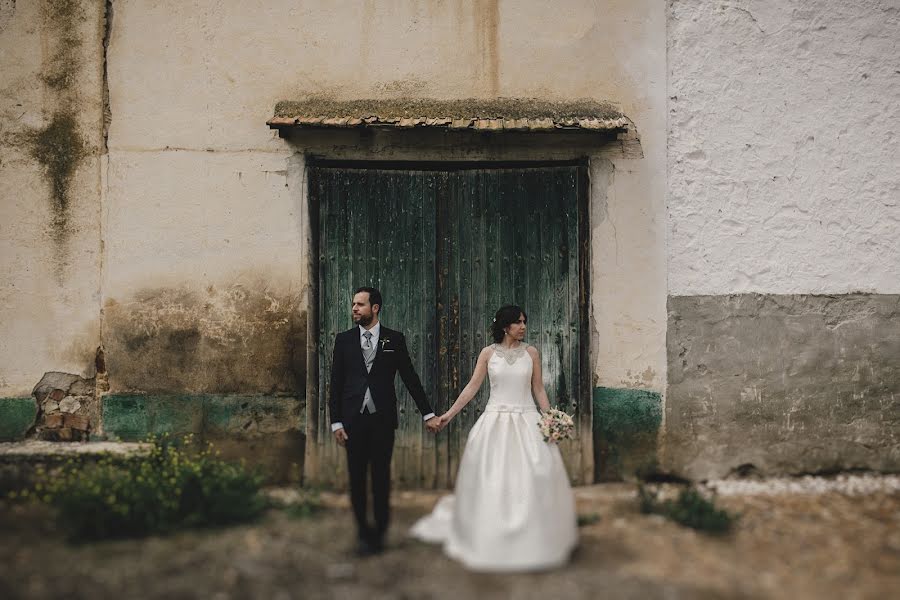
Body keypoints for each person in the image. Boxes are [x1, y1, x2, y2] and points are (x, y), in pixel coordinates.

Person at [410, 305, 578, 571]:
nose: (523, 326)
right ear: (504, 326)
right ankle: (490, 535)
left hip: (527, 420)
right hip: (495, 420)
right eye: (518, 322)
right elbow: (472, 387)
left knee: (536, 474)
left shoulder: (531, 353)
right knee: (494, 479)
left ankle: (534, 538)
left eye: (524, 321)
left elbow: (538, 389)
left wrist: (551, 419)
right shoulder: (488, 354)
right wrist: (449, 415)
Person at [329, 287, 441, 556]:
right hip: (353, 421)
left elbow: (410, 378)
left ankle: (380, 532)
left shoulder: (393, 339)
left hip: (381, 422)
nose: (354, 308)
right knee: (356, 479)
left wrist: (427, 413)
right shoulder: (343, 340)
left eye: (360, 304)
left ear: (375, 308)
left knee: (380, 478)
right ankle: (362, 533)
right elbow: (336, 384)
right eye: (353, 304)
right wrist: (336, 422)